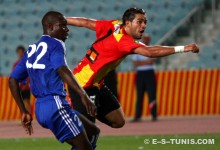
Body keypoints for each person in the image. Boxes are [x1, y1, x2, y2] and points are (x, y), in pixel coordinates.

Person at [66, 7, 199, 129]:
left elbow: (87, 23)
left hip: (96, 83)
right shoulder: (123, 42)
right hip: (82, 85)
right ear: (128, 23)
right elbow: (150, 52)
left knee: (118, 121)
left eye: (145, 22)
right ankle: (70, 114)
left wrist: (63, 20)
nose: (143, 26)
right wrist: (183, 48)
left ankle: (79, 114)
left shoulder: (115, 25)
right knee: (87, 131)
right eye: (140, 22)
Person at [9, 11, 99, 150]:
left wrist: (23, 111)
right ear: (50, 27)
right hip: (55, 105)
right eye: (63, 26)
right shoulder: (56, 44)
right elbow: (62, 69)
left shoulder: (32, 49)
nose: (67, 29)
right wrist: (83, 95)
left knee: (93, 131)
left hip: (41, 108)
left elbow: (13, 79)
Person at [132, 34, 157, 122]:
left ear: (149, 40)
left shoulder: (152, 49)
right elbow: (135, 64)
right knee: (139, 96)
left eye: (147, 39)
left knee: (152, 95)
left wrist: (141, 63)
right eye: (145, 39)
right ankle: (138, 116)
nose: (146, 40)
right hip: (140, 74)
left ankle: (154, 115)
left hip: (149, 73)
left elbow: (151, 62)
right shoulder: (138, 48)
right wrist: (146, 62)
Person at [12, 45, 31, 113]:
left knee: (27, 101)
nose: (20, 53)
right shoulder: (16, 64)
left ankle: (28, 116)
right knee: (21, 102)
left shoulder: (27, 63)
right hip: (19, 86)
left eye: (21, 52)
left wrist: (27, 83)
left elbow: (29, 74)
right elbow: (13, 75)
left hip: (25, 86)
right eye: (19, 52)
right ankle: (24, 116)